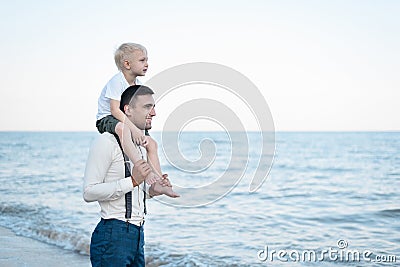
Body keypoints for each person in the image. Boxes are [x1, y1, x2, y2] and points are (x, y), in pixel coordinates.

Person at [84, 85, 178, 267]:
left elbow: (135, 193)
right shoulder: (107, 142)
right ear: (127, 110)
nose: (154, 113)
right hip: (112, 235)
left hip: (138, 235)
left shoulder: (140, 146)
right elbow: (89, 192)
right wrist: (133, 180)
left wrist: (153, 190)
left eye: (154, 106)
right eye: (147, 107)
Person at [96, 43, 161, 185]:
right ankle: (143, 169)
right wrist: (133, 129)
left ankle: (159, 182)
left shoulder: (137, 84)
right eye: (142, 60)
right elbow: (114, 110)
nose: (147, 64)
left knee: (152, 144)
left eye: (147, 60)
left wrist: (139, 129)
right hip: (107, 118)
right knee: (122, 129)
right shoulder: (117, 81)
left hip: (125, 118)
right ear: (127, 64)